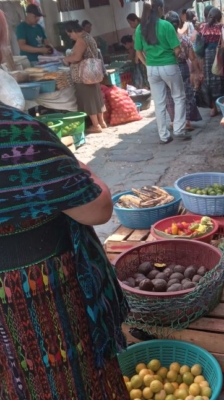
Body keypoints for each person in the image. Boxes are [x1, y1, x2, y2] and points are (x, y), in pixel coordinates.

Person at [0, 100, 129, 398]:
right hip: (36, 299)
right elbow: (97, 208)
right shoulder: (17, 133)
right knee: (67, 385)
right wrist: (82, 167)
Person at [135, 0, 189, 143]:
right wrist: (171, 58)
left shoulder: (141, 28)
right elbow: (177, 49)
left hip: (152, 69)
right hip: (169, 66)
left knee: (159, 103)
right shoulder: (166, 26)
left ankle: (163, 136)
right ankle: (179, 130)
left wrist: (147, 64)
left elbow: (138, 52)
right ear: (159, 9)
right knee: (179, 97)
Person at [63, 21, 106, 134]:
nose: (70, 37)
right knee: (96, 98)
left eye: (70, 34)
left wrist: (67, 59)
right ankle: (101, 122)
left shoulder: (81, 40)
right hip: (93, 72)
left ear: (73, 31)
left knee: (88, 100)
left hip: (84, 75)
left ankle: (96, 125)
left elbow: (77, 57)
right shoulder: (89, 36)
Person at [164, 11, 202, 131]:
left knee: (170, 95)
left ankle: (174, 120)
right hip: (182, 69)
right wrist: (198, 72)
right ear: (179, 23)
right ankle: (186, 120)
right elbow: (192, 58)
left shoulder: (163, 42)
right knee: (185, 94)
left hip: (167, 69)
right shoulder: (184, 39)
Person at [198, 7, 224, 116]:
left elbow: (199, 45)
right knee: (220, 79)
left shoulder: (202, 27)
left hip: (206, 56)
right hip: (219, 55)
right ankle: (222, 104)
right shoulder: (221, 28)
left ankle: (213, 108)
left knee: (209, 82)